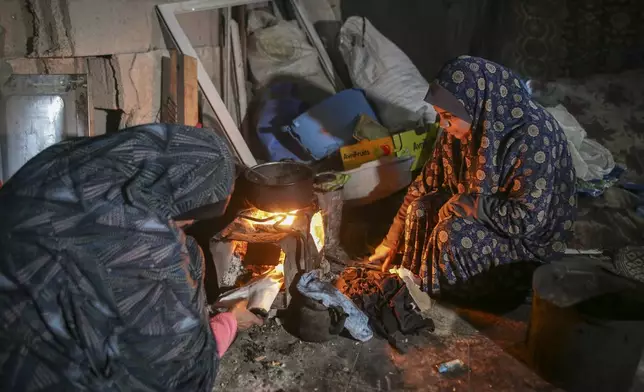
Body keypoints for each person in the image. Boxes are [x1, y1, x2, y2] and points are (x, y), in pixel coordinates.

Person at [0, 124, 263, 391]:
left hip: (16, 303)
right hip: (37, 375)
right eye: (193, 214)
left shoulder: (64, 159)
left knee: (192, 254)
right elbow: (184, 378)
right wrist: (229, 321)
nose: (191, 221)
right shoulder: (146, 250)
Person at [369, 56, 576, 304]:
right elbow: (424, 185)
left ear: (478, 104)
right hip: (481, 216)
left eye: (448, 116)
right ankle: (415, 281)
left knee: (451, 234)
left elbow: (528, 219)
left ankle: (449, 295)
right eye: (439, 116)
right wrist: (389, 242)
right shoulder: (459, 130)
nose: (444, 125)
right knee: (420, 209)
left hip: (525, 244)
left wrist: (470, 204)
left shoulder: (531, 137)